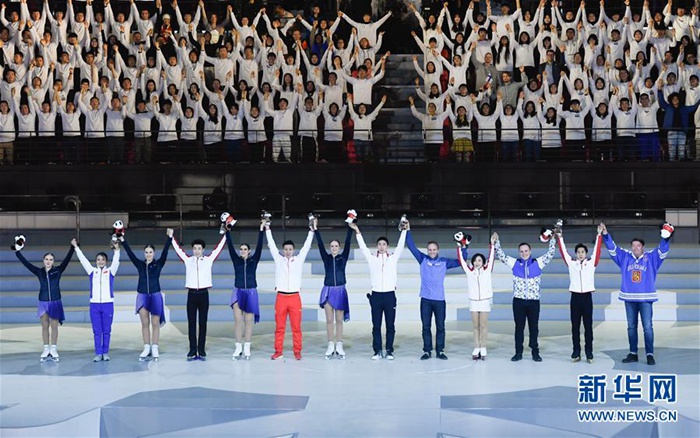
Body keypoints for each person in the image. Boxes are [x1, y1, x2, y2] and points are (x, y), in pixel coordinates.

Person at [601, 222, 674, 366]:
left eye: (638, 246)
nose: (635, 248)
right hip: (629, 298)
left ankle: (649, 354)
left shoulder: (651, 258)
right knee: (631, 327)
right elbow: (613, 249)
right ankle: (633, 353)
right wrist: (605, 234)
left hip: (646, 299)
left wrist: (666, 237)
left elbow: (662, 250)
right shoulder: (625, 257)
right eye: (633, 246)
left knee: (647, 327)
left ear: (643, 247)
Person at [493, 230, 556, 362]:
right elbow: (501, 255)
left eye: (526, 251)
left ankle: (535, 351)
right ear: (519, 253)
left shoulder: (538, 262)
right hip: (519, 301)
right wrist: (496, 242)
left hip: (533, 302)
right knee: (519, 328)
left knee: (534, 328)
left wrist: (552, 239)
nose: (524, 253)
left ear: (530, 251)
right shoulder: (514, 263)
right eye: (521, 251)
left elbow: (550, 254)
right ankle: (518, 352)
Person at [350, 218, 407, 360]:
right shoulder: (371, 259)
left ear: (387, 246)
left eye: (384, 244)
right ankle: (377, 351)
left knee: (390, 326)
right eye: (379, 244)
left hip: (389, 295)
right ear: (377, 246)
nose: (382, 246)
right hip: (376, 296)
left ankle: (389, 350)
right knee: (376, 326)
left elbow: (400, 245)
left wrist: (405, 231)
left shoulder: (393, 258)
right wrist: (357, 232)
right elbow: (363, 247)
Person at [405, 221, 461, 360]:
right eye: (429, 249)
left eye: (434, 249)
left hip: (439, 300)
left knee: (440, 327)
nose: (431, 251)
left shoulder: (444, 262)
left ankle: (440, 350)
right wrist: (408, 231)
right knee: (426, 327)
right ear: (427, 250)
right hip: (425, 299)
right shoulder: (422, 259)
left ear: (438, 250)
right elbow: (411, 247)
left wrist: (463, 247)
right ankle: (427, 350)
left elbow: (461, 261)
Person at [14, 238, 75, 362]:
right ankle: (46, 348)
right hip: (43, 302)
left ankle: (54, 348)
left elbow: (67, 260)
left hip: (55, 302)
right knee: (44, 326)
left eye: (51, 259)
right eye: (46, 259)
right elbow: (26, 264)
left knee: (54, 327)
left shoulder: (58, 270)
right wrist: (17, 252)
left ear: (53, 262)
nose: (48, 261)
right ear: (43, 261)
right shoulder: (39, 271)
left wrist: (72, 247)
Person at [171, 230, 227, 361]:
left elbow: (218, 248)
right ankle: (192, 349)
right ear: (192, 250)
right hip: (191, 295)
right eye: (195, 248)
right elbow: (178, 250)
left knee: (203, 323)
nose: (196, 251)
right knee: (191, 323)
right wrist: (171, 237)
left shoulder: (208, 260)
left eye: (199, 248)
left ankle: (201, 349)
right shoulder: (187, 260)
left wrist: (226, 235)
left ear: (203, 250)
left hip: (203, 294)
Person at [265, 216, 315, 360]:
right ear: (283, 250)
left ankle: (297, 351)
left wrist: (311, 231)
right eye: (285, 249)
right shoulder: (278, 259)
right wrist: (267, 229)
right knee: (279, 327)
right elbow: (272, 245)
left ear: (293, 250)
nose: (287, 251)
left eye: (290, 249)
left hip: (294, 298)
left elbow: (306, 247)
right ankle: (278, 351)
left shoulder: (299, 260)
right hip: (281, 297)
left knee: (296, 328)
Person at [120, 229, 173, 361]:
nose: (148, 254)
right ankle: (146, 347)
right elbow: (130, 254)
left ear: (154, 253)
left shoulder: (158, 264)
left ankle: (155, 347)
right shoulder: (140, 265)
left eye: (150, 252)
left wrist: (170, 238)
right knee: (145, 323)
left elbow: (166, 252)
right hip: (142, 296)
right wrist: (123, 240)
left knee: (155, 323)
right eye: (146, 252)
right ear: (144, 253)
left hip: (155, 296)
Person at [555, 224, 603, 364]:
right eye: (578, 252)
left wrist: (599, 235)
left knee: (588, 327)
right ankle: (576, 351)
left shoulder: (591, 263)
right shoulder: (571, 264)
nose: (580, 254)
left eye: (583, 251)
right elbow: (563, 251)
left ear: (586, 253)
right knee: (575, 327)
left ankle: (589, 352)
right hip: (575, 298)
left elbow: (597, 250)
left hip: (587, 297)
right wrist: (560, 237)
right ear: (575, 254)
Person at [72, 238, 120, 362]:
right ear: (95, 261)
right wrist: (76, 247)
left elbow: (116, 261)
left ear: (106, 261)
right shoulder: (92, 271)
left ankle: (105, 352)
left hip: (107, 304)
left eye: (103, 259)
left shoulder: (110, 271)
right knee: (97, 330)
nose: (100, 261)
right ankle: (98, 353)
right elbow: (83, 260)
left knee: (107, 330)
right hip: (94, 305)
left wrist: (117, 249)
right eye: (98, 259)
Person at [313, 216, 353, 359]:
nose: (334, 248)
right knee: (329, 320)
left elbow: (348, 242)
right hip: (329, 290)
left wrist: (350, 227)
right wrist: (316, 230)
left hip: (340, 291)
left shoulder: (343, 257)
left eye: (336, 246)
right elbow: (319, 244)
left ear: (339, 248)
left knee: (339, 320)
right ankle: (331, 344)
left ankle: (340, 345)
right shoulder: (327, 258)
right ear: (330, 248)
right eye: (332, 246)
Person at [227, 220, 265, 360]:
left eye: (245, 249)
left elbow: (260, 246)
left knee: (248, 321)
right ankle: (238, 347)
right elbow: (230, 247)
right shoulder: (236, 260)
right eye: (241, 249)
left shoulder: (253, 260)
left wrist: (261, 231)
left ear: (249, 251)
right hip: (238, 292)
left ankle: (247, 346)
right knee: (238, 320)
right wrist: (227, 233)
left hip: (250, 293)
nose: (242, 251)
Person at [457, 233, 496, 360]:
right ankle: (476, 346)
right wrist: (459, 247)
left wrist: (492, 244)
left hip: (484, 301)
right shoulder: (469, 271)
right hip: (474, 301)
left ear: (483, 262)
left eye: (480, 260)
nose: (477, 262)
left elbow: (491, 255)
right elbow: (461, 261)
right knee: (475, 326)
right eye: (475, 260)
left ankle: (483, 347)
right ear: (473, 262)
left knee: (483, 325)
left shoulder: (487, 270)